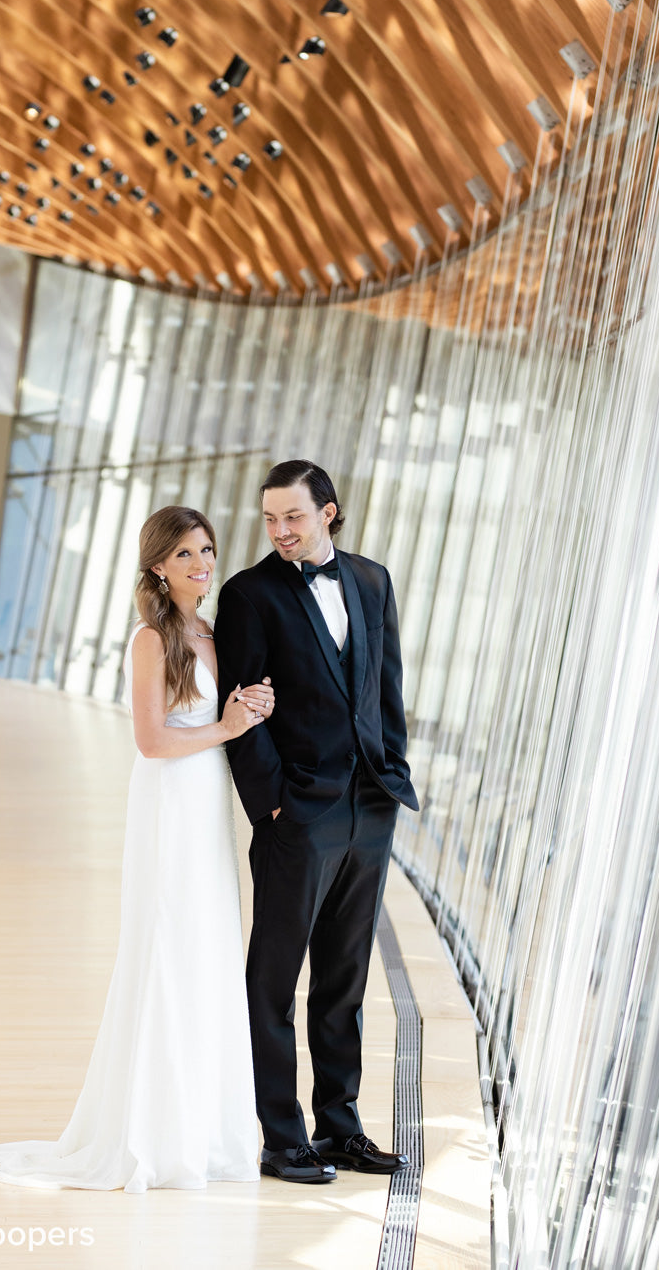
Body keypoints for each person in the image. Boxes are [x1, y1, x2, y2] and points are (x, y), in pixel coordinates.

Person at [0, 506, 272, 1192]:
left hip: (206, 807)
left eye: (206, 549)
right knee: (167, 949)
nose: (201, 563)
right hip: (169, 803)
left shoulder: (210, 628)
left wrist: (247, 707)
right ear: (156, 567)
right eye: (184, 554)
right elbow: (151, 740)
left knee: (207, 951)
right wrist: (227, 726)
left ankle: (203, 1130)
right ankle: (152, 1133)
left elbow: (216, 716)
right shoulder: (152, 638)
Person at [214, 460, 419, 1184]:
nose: (280, 531)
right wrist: (271, 803)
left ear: (328, 512)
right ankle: (280, 1136)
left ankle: (340, 1127)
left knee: (345, 976)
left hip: (368, 808)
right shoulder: (248, 595)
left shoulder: (371, 580)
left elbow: (385, 685)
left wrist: (390, 777)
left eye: (293, 517)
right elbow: (239, 711)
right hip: (297, 813)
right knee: (274, 979)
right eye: (270, 519)